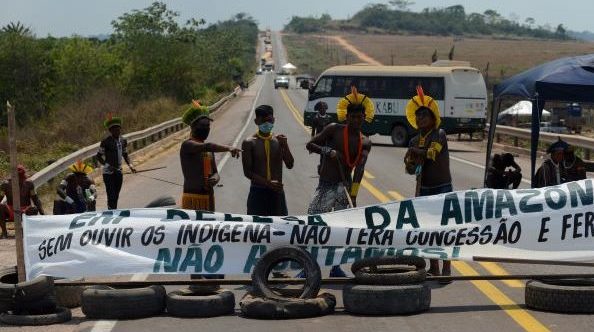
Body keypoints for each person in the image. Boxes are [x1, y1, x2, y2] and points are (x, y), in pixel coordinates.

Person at [306, 86, 374, 277]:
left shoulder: (365, 141)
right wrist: (328, 151)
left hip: (344, 188)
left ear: (364, 117)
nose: (356, 120)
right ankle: (309, 267)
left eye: (360, 117)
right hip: (326, 183)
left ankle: (336, 267)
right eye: (353, 117)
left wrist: (353, 193)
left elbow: (359, 169)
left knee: (341, 229)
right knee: (315, 225)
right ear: (346, 116)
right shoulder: (333, 129)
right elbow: (310, 144)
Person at [403, 86, 452, 282]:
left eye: (425, 115)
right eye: (418, 116)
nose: (421, 118)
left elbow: (432, 154)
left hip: (442, 188)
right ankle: (434, 268)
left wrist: (414, 152)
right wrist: (409, 161)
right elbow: (409, 168)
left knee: (445, 230)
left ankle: (447, 268)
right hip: (423, 189)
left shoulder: (439, 134)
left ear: (433, 118)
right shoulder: (414, 139)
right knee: (428, 230)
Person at [180, 100, 241, 211]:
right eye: (202, 125)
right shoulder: (187, 145)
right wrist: (228, 148)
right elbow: (208, 146)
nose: (206, 128)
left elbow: (215, 173)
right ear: (193, 127)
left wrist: (215, 179)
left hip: (208, 198)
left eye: (208, 125)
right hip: (193, 198)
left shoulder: (209, 150)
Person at [242, 104, 294, 216]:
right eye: (263, 121)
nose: (267, 123)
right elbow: (247, 172)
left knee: (280, 228)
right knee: (257, 229)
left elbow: (290, 164)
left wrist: (285, 145)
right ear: (256, 121)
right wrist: (268, 183)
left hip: (277, 193)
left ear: (274, 120)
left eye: (269, 120)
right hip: (258, 192)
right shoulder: (249, 143)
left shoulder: (279, 140)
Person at [95, 114, 136, 209]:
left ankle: (114, 210)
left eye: (118, 129)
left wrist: (131, 165)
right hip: (108, 173)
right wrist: (106, 165)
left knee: (116, 195)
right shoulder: (106, 142)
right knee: (111, 195)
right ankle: (111, 212)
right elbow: (98, 156)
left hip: (119, 172)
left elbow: (125, 154)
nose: (117, 131)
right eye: (114, 129)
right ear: (110, 131)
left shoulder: (123, 140)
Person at [0, 165, 45, 238]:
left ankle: (28, 231)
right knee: (1, 207)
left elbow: (35, 199)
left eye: (21, 177)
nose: (20, 179)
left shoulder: (29, 184)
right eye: (18, 177)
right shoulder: (5, 184)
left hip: (25, 210)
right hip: (11, 210)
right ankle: (4, 233)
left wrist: (43, 215)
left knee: (34, 209)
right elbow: (0, 198)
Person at [311, 101, 332, 174]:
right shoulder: (315, 118)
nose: (323, 110)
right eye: (321, 108)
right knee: (322, 154)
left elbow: (332, 130)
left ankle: (324, 167)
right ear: (318, 109)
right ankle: (321, 168)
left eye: (324, 108)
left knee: (328, 154)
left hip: (328, 139)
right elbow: (313, 131)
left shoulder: (329, 118)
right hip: (320, 139)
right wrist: (312, 142)